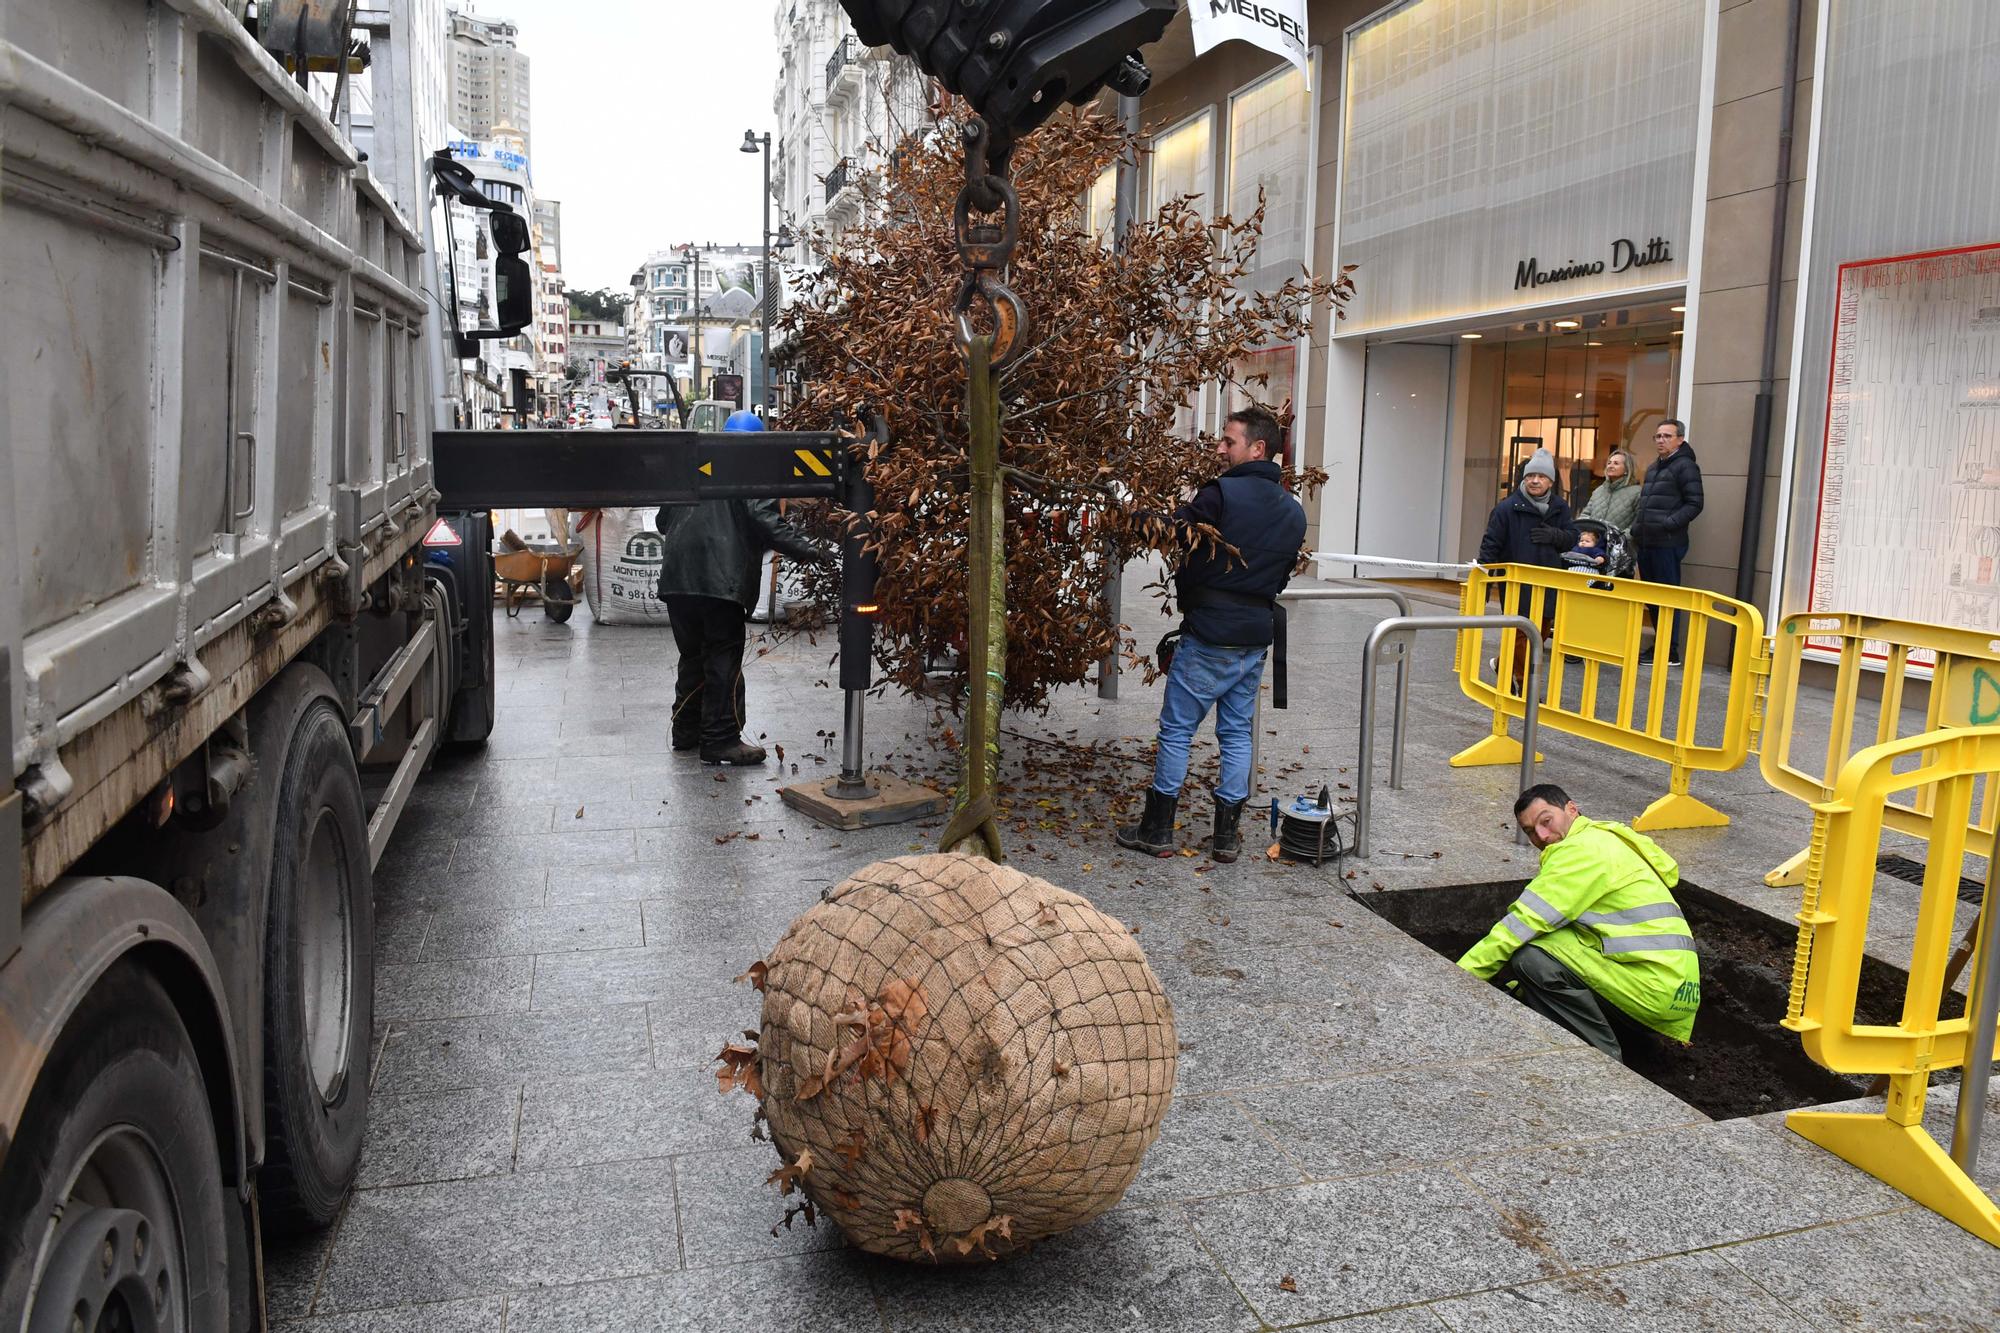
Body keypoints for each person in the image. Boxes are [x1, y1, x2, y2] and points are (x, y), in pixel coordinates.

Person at [1116, 405, 1307, 864]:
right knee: (1237, 734)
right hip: (1254, 636)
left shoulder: (1220, 494)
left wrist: (1129, 507)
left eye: (1229, 440)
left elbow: (1172, 533)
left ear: (1258, 448)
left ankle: (1157, 830)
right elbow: (1280, 576)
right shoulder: (1294, 511)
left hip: (1208, 634)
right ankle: (1226, 838)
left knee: (1178, 730)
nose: (1220, 448)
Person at [1459, 784, 1701, 1064]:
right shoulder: (1605, 838)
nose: (1541, 836)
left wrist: (1457, 980)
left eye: (1545, 821)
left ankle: (1604, 1062)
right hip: (1675, 989)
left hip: (1651, 989)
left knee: (1531, 958)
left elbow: (1521, 925)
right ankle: (1640, 1046)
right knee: (1550, 944)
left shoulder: (1581, 851)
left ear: (1571, 809)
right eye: (1530, 831)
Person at [656, 409, 833, 765]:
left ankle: (686, 731)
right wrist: (814, 551)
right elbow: (766, 521)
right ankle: (720, 739)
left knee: (693, 655)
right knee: (723, 656)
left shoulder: (695, 466)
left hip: (677, 579)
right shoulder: (749, 467)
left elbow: (663, 521)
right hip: (720, 580)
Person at [1477, 448, 1576, 688]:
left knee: (1540, 632)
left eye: (1541, 477)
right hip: (1516, 582)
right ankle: (1522, 681)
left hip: (1548, 579)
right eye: (1530, 476)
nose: (1535, 480)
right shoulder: (1506, 508)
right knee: (1521, 632)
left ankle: (1503, 664)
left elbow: (1572, 537)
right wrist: (1482, 577)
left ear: (1550, 481)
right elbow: (1491, 542)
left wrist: (1554, 535)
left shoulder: (1560, 507)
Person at [1634, 420, 1704, 665]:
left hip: (1667, 542)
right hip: (1646, 542)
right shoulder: (1654, 468)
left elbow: (1695, 504)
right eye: (1657, 436)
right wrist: (1637, 528)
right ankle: (1660, 645)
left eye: (1667, 436)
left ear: (1680, 439)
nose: (1661, 440)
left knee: (1668, 598)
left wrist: (1668, 523)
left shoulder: (1685, 466)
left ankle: (1669, 651)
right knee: (1653, 598)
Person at [1578, 447, 1642, 544]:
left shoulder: (1637, 492)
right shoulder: (1599, 491)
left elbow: (1637, 524)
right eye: (1609, 463)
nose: (1611, 466)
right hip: (1594, 547)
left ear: (1627, 469)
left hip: (1620, 550)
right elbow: (1586, 514)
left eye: (1616, 463)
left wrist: (1620, 539)